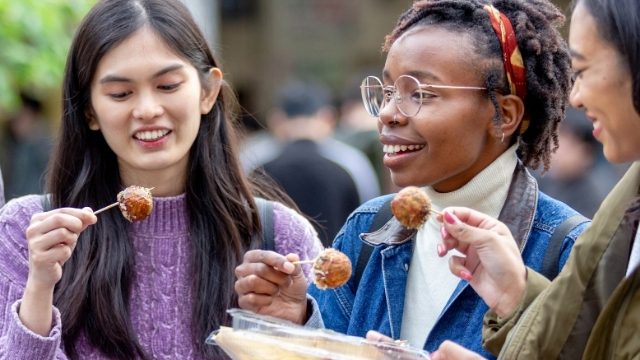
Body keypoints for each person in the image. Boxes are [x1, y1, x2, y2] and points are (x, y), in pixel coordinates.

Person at [234, 0, 590, 358]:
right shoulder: (367, 229)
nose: (388, 114)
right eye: (388, 92)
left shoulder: (571, 252)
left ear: (504, 115)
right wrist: (298, 321)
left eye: (420, 94)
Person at [0, 1, 322, 359]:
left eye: (167, 86)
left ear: (207, 91)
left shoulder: (281, 239)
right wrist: (40, 288)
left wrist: (294, 326)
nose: (148, 110)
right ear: (89, 109)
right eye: (120, 93)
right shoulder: (28, 236)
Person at [433, 0, 640, 358]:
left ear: (506, 114)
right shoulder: (627, 196)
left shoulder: (565, 231)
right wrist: (518, 297)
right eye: (388, 92)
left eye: (585, 70)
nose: (575, 97)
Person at [256, 80, 362, 246]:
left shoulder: (257, 163)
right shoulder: (350, 163)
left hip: (272, 269)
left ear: (276, 119)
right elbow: (365, 225)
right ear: (328, 117)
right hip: (336, 268)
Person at [0, 92, 53, 200]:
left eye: (22, 117)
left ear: (34, 117)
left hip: (37, 206)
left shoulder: (46, 146)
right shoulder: (12, 145)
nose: (16, 123)